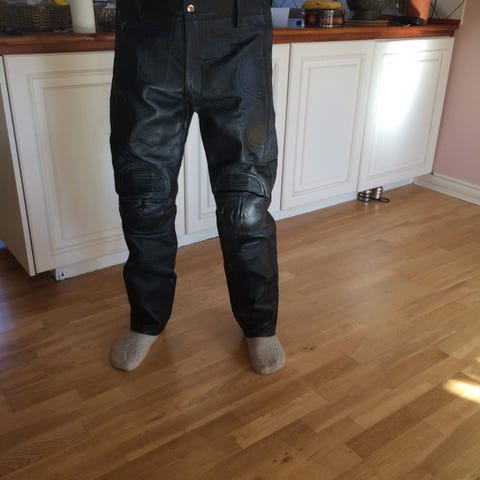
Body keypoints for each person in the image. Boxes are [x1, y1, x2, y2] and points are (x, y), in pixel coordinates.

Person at [109, 0, 285, 374]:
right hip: (148, 32)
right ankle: (146, 319)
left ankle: (259, 325)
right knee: (143, 194)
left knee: (245, 203)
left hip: (238, 32)